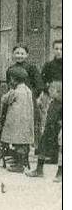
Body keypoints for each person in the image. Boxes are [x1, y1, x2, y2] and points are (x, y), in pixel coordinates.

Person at [27, 39, 62, 178]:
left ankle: (61, 173)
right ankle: (39, 169)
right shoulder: (49, 65)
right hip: (54, 103)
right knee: (48, 132)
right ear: (53, 49)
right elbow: (41, 81)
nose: (58, 51)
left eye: (61, 49)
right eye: (56, 49)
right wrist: (47, 91)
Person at [0, 65, 35, 173]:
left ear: (13, 79)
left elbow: (5, 100)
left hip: (16, 122)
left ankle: (19, 165)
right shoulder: (27, 90)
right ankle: (21, 161)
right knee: (22, 143)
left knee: (17, 143)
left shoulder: (14, 91)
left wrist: (7, 93)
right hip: (26, 121)